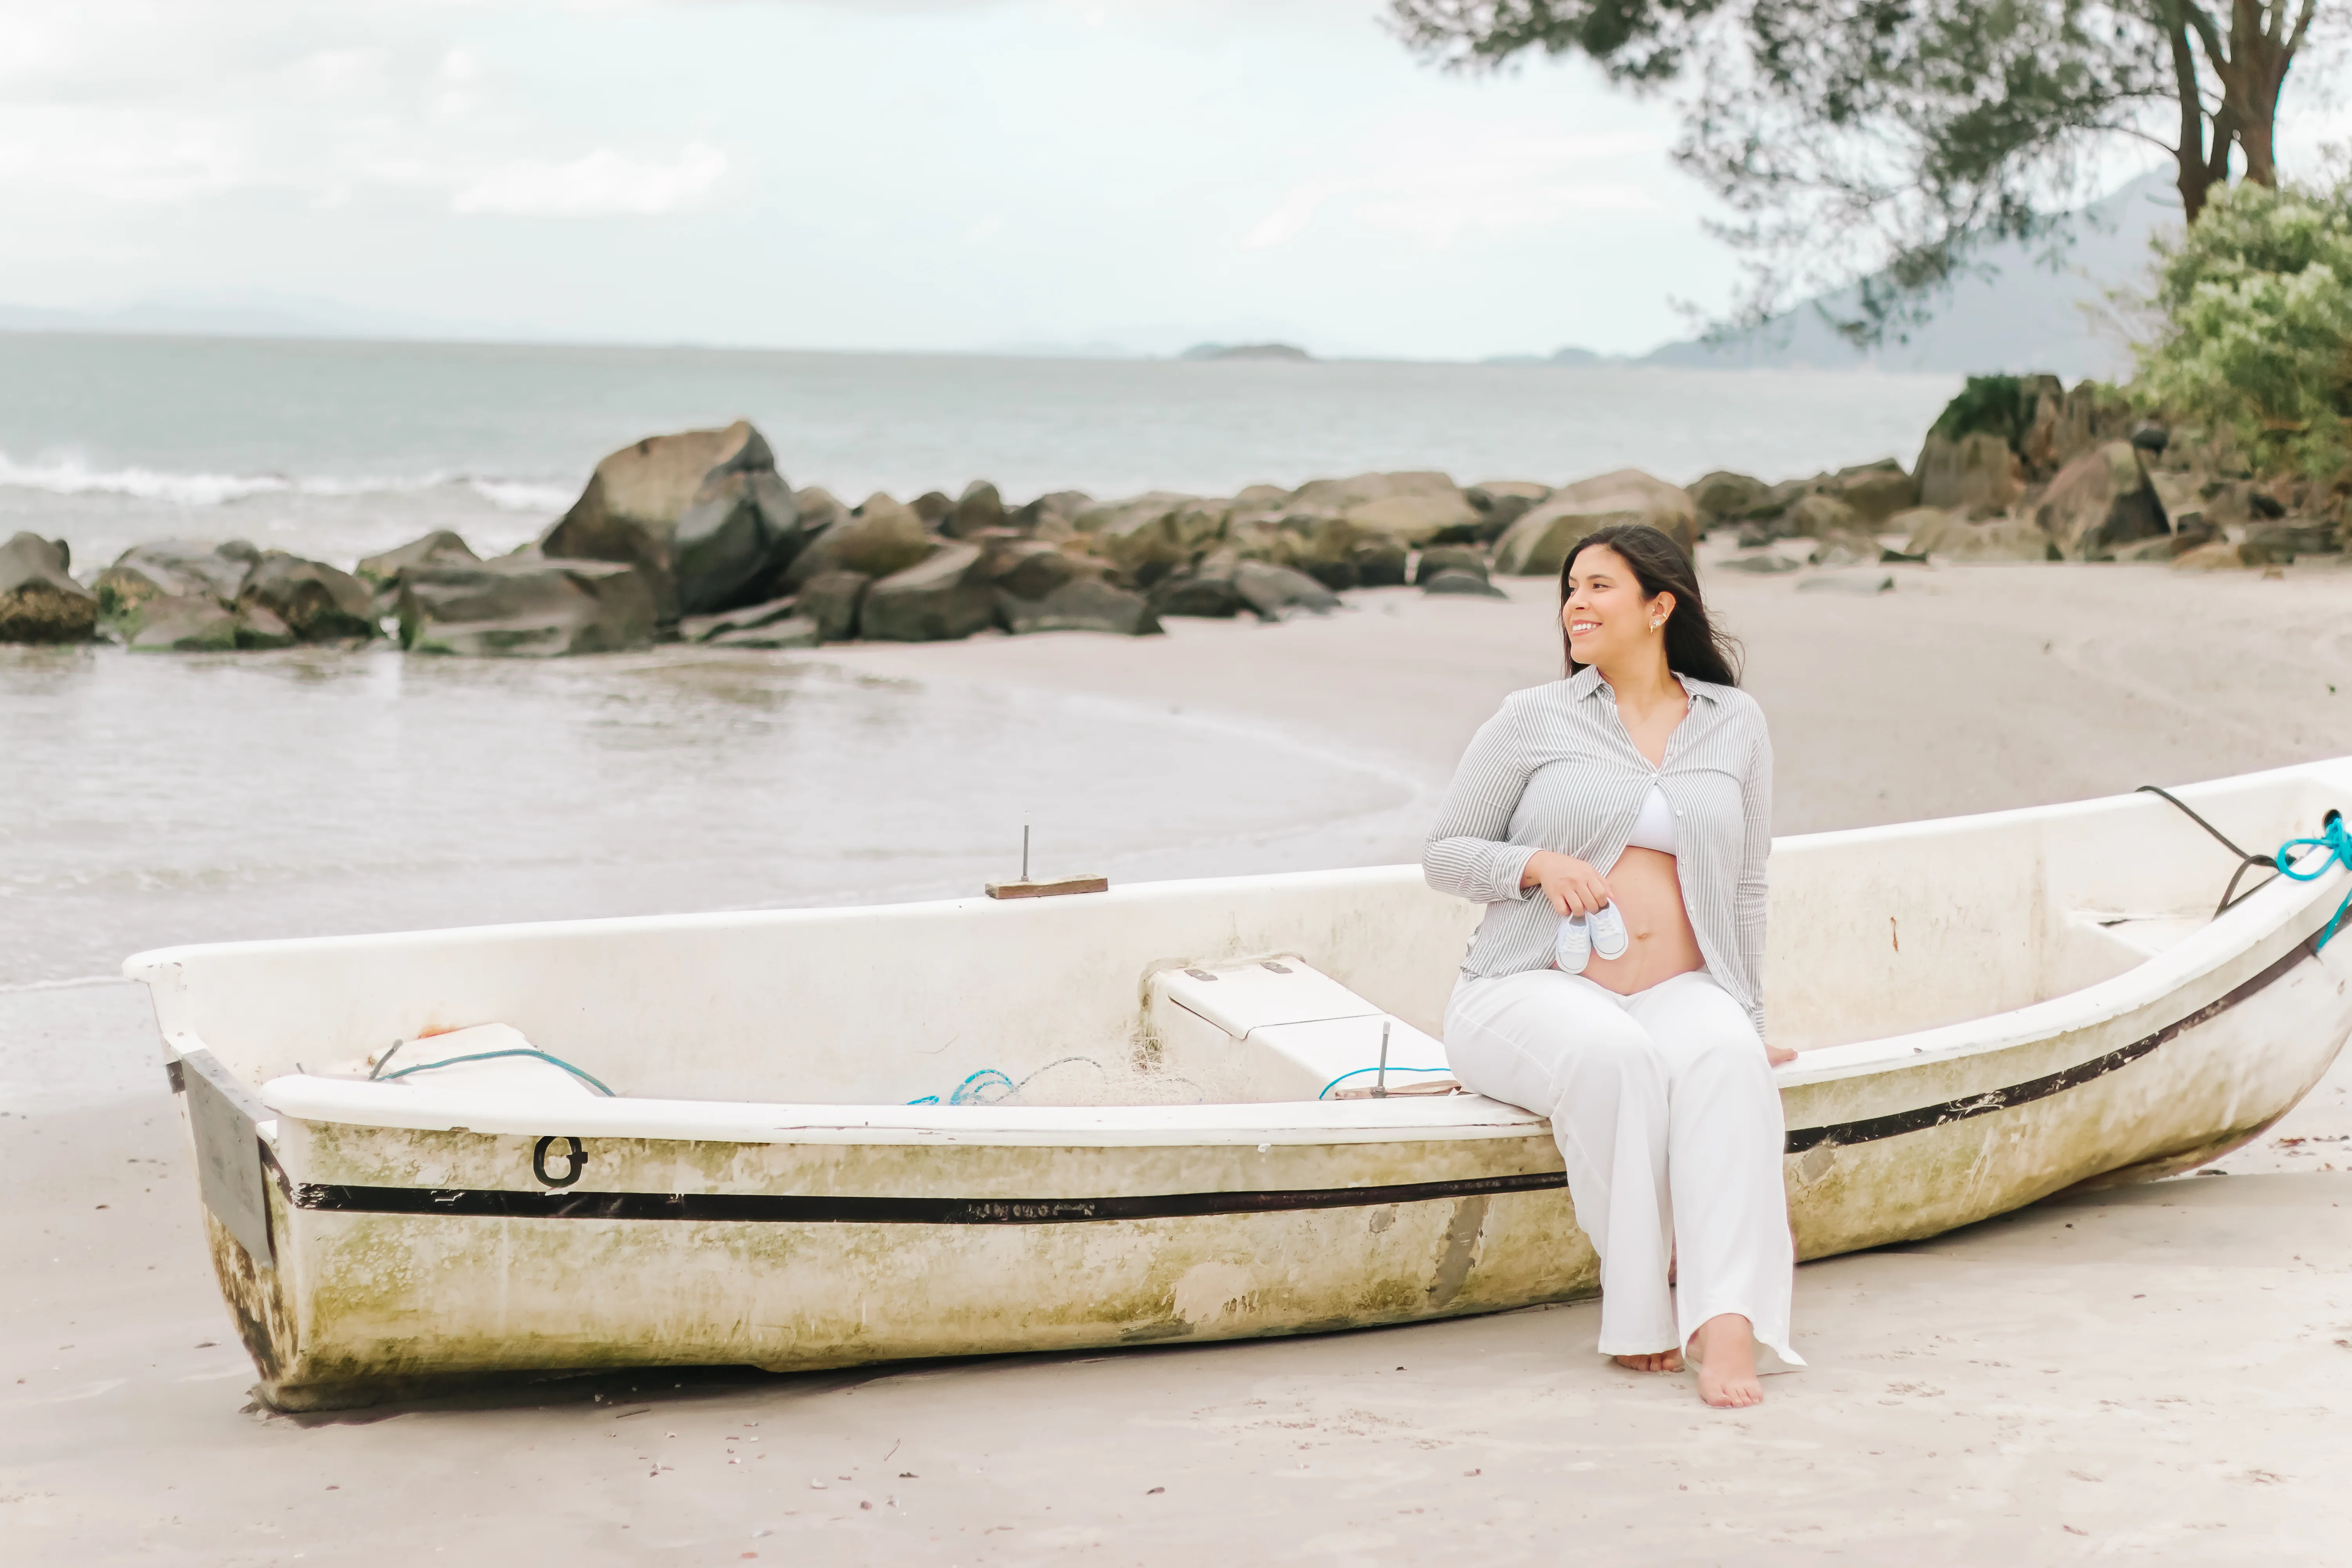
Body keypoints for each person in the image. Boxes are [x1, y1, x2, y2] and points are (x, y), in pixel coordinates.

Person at [1422, 522, 1800, 1408]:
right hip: (1524, 988)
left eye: (1599, 587)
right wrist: (1535, 864)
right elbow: (1445, 851)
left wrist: (1745, 1018)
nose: (1575, 604)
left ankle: (1730, 1320)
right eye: (1571, 587)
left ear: (1659, 605)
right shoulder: (1533, 718)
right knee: (1616, 1060)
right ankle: (1641, 1311)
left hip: (1679, 988)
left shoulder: (1733, 721)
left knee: (1729, 1065)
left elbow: (1747, 887)